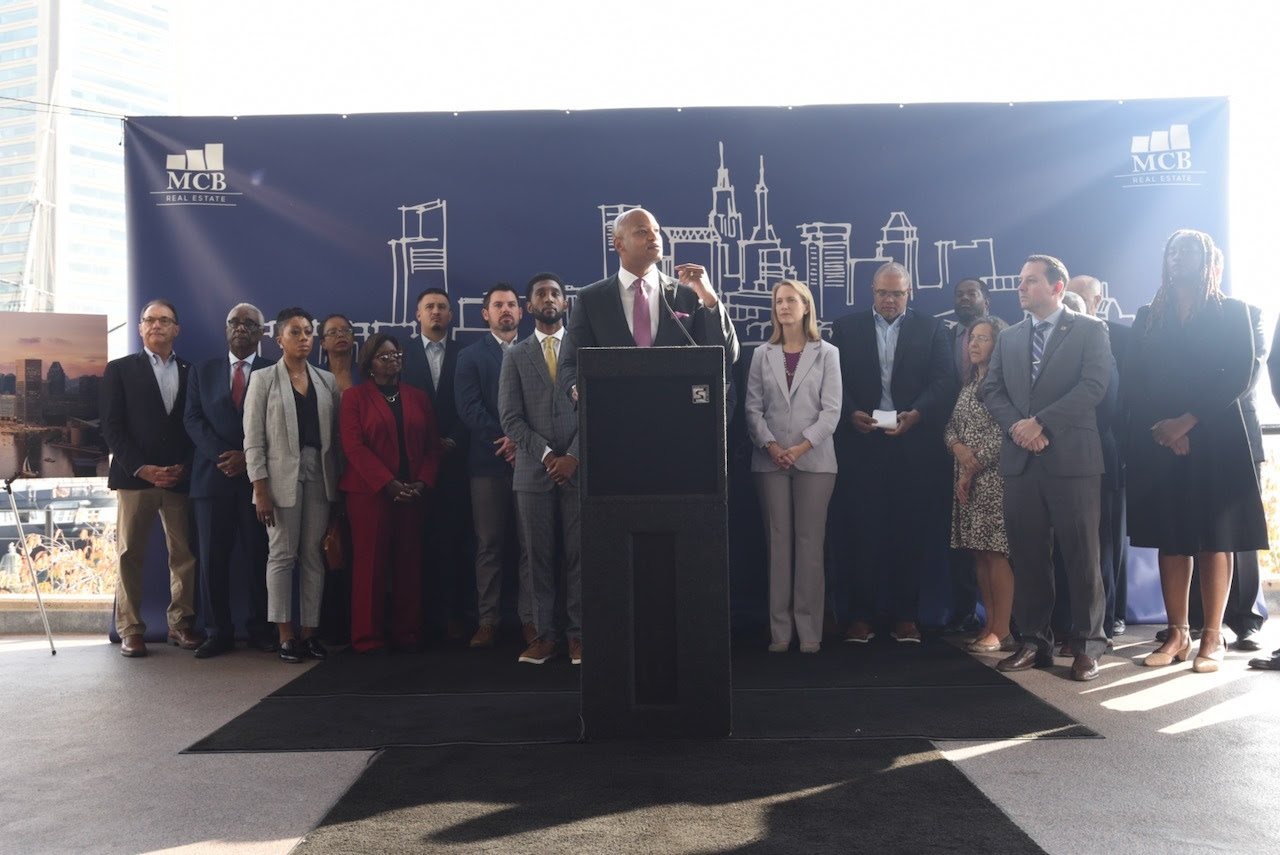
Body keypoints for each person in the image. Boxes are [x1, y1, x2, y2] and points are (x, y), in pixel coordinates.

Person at [1123, 230, 1268, 673]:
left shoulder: (1233, 312)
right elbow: (1135, 376)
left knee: (1214, 537)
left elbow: (1238, 374)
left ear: (1207, 260)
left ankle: (1212, 635)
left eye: (1187, 251)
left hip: (1216, 439)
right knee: (1172, 537)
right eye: (1172, 251)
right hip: (1161, 440)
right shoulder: (1149, 315)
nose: (1177, 257)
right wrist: (1166, 428)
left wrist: (1187, 421)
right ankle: (1178, 634)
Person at [984, 254, 1111, 682]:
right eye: (1020, 280)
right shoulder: (1009, 337)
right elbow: (992, 389)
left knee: (1082, 556)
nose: (1020, 287)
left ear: (1057, 287)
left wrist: (1042, 422)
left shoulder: (1090, 329)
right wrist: (1019, 428)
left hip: (1073, 461)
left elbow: (1094, 385)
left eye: (1031, 281)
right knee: (1028, 556)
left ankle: (1088, 645)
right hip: (1021, 462)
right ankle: (1034, 642)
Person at [830, 262, 953, 644]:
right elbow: (833, 381)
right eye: (883, 293)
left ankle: (906, 616)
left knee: (910, 535)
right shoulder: (846, 328)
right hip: (861, 446)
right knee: (861, 534)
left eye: (897, 294)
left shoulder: (932, 329)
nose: (889, 300)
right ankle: (860, 616)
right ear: (872, 291)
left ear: (909, 293)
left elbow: (944, 381)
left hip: (913, 447)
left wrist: (918, 413)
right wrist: (850, 413)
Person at [745, 280, 842, 654]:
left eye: (791, 300)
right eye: (778, 301)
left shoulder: (827, 353)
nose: (783, 306)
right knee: (778, 544)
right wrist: (771, 446)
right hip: (769, 460)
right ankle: (781, 631)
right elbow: (752, 409)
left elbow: (831, 411)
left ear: (806, 307)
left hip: (814, 460)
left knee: (809, 544)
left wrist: (800, 448)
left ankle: (810, 630)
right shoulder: (761, 354)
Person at [243, 307, 343, 663]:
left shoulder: (326, 381)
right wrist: (260, 489)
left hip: (320, 475)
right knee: (282, 555)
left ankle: (309, 633)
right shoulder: (263, 379)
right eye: (295, 332)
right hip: (278, 478)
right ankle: (285, 634)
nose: (304, 338)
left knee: (314, 555)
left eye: (308, 332)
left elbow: (336, 440)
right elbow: (253, 440)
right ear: (279, 339)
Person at [100, 299, 199, 657]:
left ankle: (181, 623)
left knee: (184, 555)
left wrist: (185, 466)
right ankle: (130, 629)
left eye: (165, 320)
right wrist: (141, 468)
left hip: (178, 478)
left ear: (176, 329)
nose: (157, 325)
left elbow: (196, 424)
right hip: (134, 478)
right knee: (129, 555)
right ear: (140, 328)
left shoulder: (191, 371)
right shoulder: (119, 369)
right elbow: (111, 427)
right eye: (150, 320)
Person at [559, 207, 740, 400]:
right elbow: (570, 363)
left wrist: (710, 299)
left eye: (656, 231)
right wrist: (577, 389)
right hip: (614, 409)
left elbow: (726, 356)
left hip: (677, 408)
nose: (654, 237)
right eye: (642, 231)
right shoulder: (591, 299)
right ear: (619, 244)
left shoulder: (687, 295)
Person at [498, 272, 582, 665]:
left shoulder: (583, 352)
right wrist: (548, 456)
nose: (548, 299)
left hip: (579, 471)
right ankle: (545, 636)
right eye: (540, 294)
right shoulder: (515, 356)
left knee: (581, 556)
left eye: (555, 293)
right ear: (528, 306)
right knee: (538, 559)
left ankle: (579, 636)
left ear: (565, 303)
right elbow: (510, 418)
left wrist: (573, 457)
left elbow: (599, 410)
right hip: (534, 473)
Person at [182, 303, 275, 657]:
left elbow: (278, 424)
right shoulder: (202, 371)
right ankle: (217, 631)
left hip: (258, 482)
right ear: (225, 329)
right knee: (212, 560)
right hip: (212, 478)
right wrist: (225, 456)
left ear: (261, 333)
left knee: (259, 557)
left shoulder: (274, 371)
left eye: (249, 323)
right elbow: (193, 419)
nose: (240, 327)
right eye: (234, 322)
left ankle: (260, 629)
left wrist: (247, 459)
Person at [339, 333, 440, 654]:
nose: (392, 360)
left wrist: (422, 482)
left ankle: (407, 632)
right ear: (369, 364)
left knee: (409, 563)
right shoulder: (355, 398)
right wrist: (388, 483)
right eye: (384, 356)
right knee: (370, 566)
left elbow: (432, 447)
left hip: (413, 493)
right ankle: (367, 637)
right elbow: (354, 447)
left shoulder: (418, 397)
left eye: (396, 355)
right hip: (369, 494)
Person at [455, 283, 533, 648]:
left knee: (532, 546)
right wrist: (509, 439)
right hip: (488, 463)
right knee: (488, 545)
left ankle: (532, 619)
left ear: (521, 312)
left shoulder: (536, 351)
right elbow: (469, 408)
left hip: (533, 463)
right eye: (498, 305)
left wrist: (524, 442)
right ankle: (487, 620)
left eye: (511, 304)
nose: (506, 309)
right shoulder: (470, 356)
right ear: (485, 314)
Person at [401, 287, 472, 641]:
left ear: (451, 315)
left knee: (457, 542)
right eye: (429, 307)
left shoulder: (466, 354)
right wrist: (425, 444)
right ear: (417, 315)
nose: (436, 312)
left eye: (442, 307)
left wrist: (453, 439)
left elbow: (472, 402)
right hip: (413, 464)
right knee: (417, 543)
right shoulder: (401, 354)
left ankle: (456, 616)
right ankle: (421, 619)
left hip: (457, 461)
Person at [943, 315, 1015, 654]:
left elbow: (1005, 432)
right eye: (972, 337)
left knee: (995, 553)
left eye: (983, 338)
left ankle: (1003, 630)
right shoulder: (969, 383)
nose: (974, 343)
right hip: (966, 484)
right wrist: (958, 449)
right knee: (979, 553)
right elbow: (950, 427)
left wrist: (972, 466)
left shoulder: (1005, 384)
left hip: (992, 481)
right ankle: (989, 624)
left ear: (998, 346)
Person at [1067, 274, 1130, 638]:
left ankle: (1109, 617)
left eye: (1078, 298)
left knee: (1105, 540)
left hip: (1104, 450)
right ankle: (1077, 620)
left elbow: (1118, 402)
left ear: (1096, 301)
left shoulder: (1115, 338)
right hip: (1059, 455)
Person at [945, 277, 991, 635]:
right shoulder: (945, 338)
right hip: (953, 454)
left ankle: (1005, 620)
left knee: (996, 548)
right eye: (959, 294)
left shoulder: (1007, 338)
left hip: (994, 465)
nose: (964, 299)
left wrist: (977, 458)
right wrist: (959, 449)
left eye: (971, 294)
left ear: (985, 300)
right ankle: (965, 613)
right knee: (963, 542)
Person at [319, 314, 360, 392]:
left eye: (346, 330)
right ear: (323, 343)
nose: (341, 335)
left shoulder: (365, 374)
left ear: (353, 338)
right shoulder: (314, 376)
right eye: (332, 332)